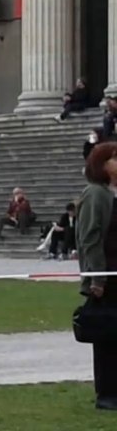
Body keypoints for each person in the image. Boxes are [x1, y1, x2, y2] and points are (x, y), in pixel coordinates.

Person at [75, 142, 117, 410]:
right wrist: (97, 278)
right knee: (107, 336)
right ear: (102, 165)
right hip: (107, 275)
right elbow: (89, 238)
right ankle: (107, 393)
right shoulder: (95, 194)